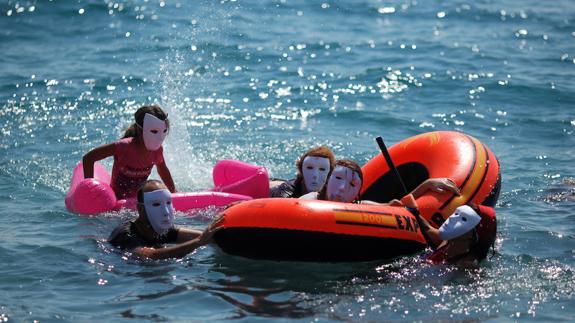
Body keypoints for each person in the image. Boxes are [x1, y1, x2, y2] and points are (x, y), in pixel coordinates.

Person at [108, 180, 222, 260]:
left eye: (168, 203)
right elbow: (150, 256)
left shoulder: (162, 230)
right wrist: (198, 243)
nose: (166, 212)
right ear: (140, 209)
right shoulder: (126, 234)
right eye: (156, 204)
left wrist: (219, 234)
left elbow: (204, 236)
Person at [82, 105, 176, 199]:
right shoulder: (124, 147)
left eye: (164, 131)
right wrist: (89, 188)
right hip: (116, 199)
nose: (160, 137)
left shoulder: (157, 150)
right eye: (154, 131)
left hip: (137, 201)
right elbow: (88, 158)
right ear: (140, 130)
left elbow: (162, 169)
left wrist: (173, 192)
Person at [300, 159, 461, 204]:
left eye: (352, 185)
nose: (342, 188)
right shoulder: (310, 199)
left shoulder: (362, 208)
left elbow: (397, 207)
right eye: (338, 178)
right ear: (327, 181)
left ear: (357, 194)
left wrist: (427, 185)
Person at [411, 201, 497, 267]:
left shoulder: (467, 263)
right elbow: (428, 229)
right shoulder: (449, 240)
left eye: (463, 220)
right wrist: (414, 212)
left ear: (473, 234)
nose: (453, 219)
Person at [269, 145, 335, 198]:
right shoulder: (289, 188)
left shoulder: (332, 191)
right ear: (301, 171)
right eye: (309, 168)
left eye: (322, 169)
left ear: (329, 173)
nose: (315, 175)